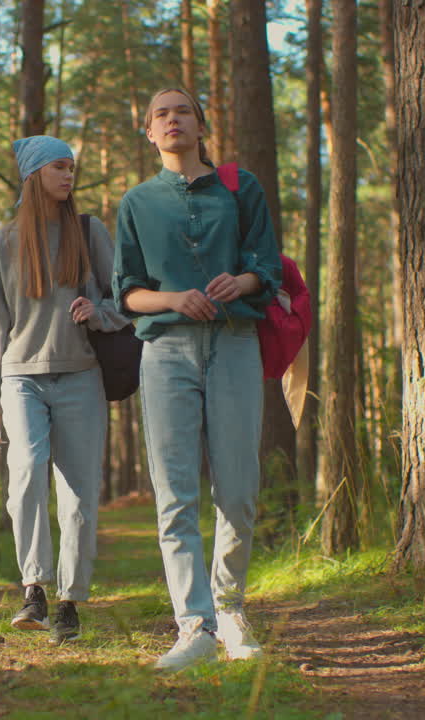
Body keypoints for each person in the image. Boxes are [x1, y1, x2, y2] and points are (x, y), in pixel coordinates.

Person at [113, 88, 282, 671]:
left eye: (182, 110)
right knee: (175, 494)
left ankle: (230, 610)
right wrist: (174, 299)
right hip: (165, 352)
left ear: (201, 126)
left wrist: (243, 282)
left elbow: (267, 263)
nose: (172, 119)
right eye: (160, 114)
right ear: (149, 133)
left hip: (234, 343)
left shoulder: (241, 189)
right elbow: (127, 292)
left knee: (238, 491)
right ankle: (195, 627)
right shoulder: (136, 202)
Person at [0, 135, 126, 645]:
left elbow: (125, 297)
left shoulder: (88, 231)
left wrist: (98, 312)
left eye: (71, 167)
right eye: (59, 166)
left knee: (79, 493)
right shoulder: (2, 244)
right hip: (20, 378)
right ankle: (33, 589)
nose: (68, 175)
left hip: (81, 374)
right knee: (25, 475)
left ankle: (69, 602)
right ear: (33, 174)